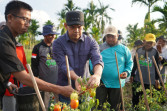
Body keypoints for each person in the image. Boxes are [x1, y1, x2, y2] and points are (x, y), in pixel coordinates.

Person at [0, 0, 74, 104]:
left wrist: (7, 83)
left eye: (29, 21)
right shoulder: (4, 41)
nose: (28, 24)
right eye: (24, 19)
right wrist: (60, 89)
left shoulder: (10, 40)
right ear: (10, 18)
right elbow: (24, 77)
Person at [52, 11, 103, 104]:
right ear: (65, 25)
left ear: (83, 26)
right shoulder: (58, 43)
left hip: (85, 89)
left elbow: (97, 59)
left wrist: (97, 75)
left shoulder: (91, 42)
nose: (76, 30)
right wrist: (76, 78)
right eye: (72, 27)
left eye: (79, 27)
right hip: (66, 89)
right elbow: (63, 65)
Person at [96, 25, 133, 110]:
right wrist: (94, 72)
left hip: (117, 82)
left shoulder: (124, 49)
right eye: (108, 36)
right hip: (101, 82)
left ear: (117, 36)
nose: (110, 39)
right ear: (105, 37)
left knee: (115, 107)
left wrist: (126, 72)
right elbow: (92, 61)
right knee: (99, 106)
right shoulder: (99, 48)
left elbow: (130, 62)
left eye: (113, 36)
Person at [31, 25, 59, 110]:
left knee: (58, 106)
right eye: (50, 34)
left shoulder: (57, 47)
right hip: (44, 83)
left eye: (54, 34)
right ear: (44, 35)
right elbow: (34, 65)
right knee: (44, 106)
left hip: (57, 83)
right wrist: (36, 80)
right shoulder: (37, 48)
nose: (53, 36)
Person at [130, 33, 162, 108]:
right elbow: (135, 64)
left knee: (149, 100)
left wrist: (157, 79)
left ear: (153, 43)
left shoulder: (155, 52)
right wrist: (132, 75)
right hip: (138, 79)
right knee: (136, 99)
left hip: (150, 80)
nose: (149, 44)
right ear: (144, 41)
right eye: (147, 42)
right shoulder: (138, 51)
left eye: (151, 43)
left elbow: (157, 66)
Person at [3, 42, 28, 111]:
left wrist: (26, 84)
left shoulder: (19, 47)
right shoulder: (2, 45)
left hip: (20, 86)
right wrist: (7, 83)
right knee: (10, 108)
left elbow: (24, 65)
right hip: (8, 88)